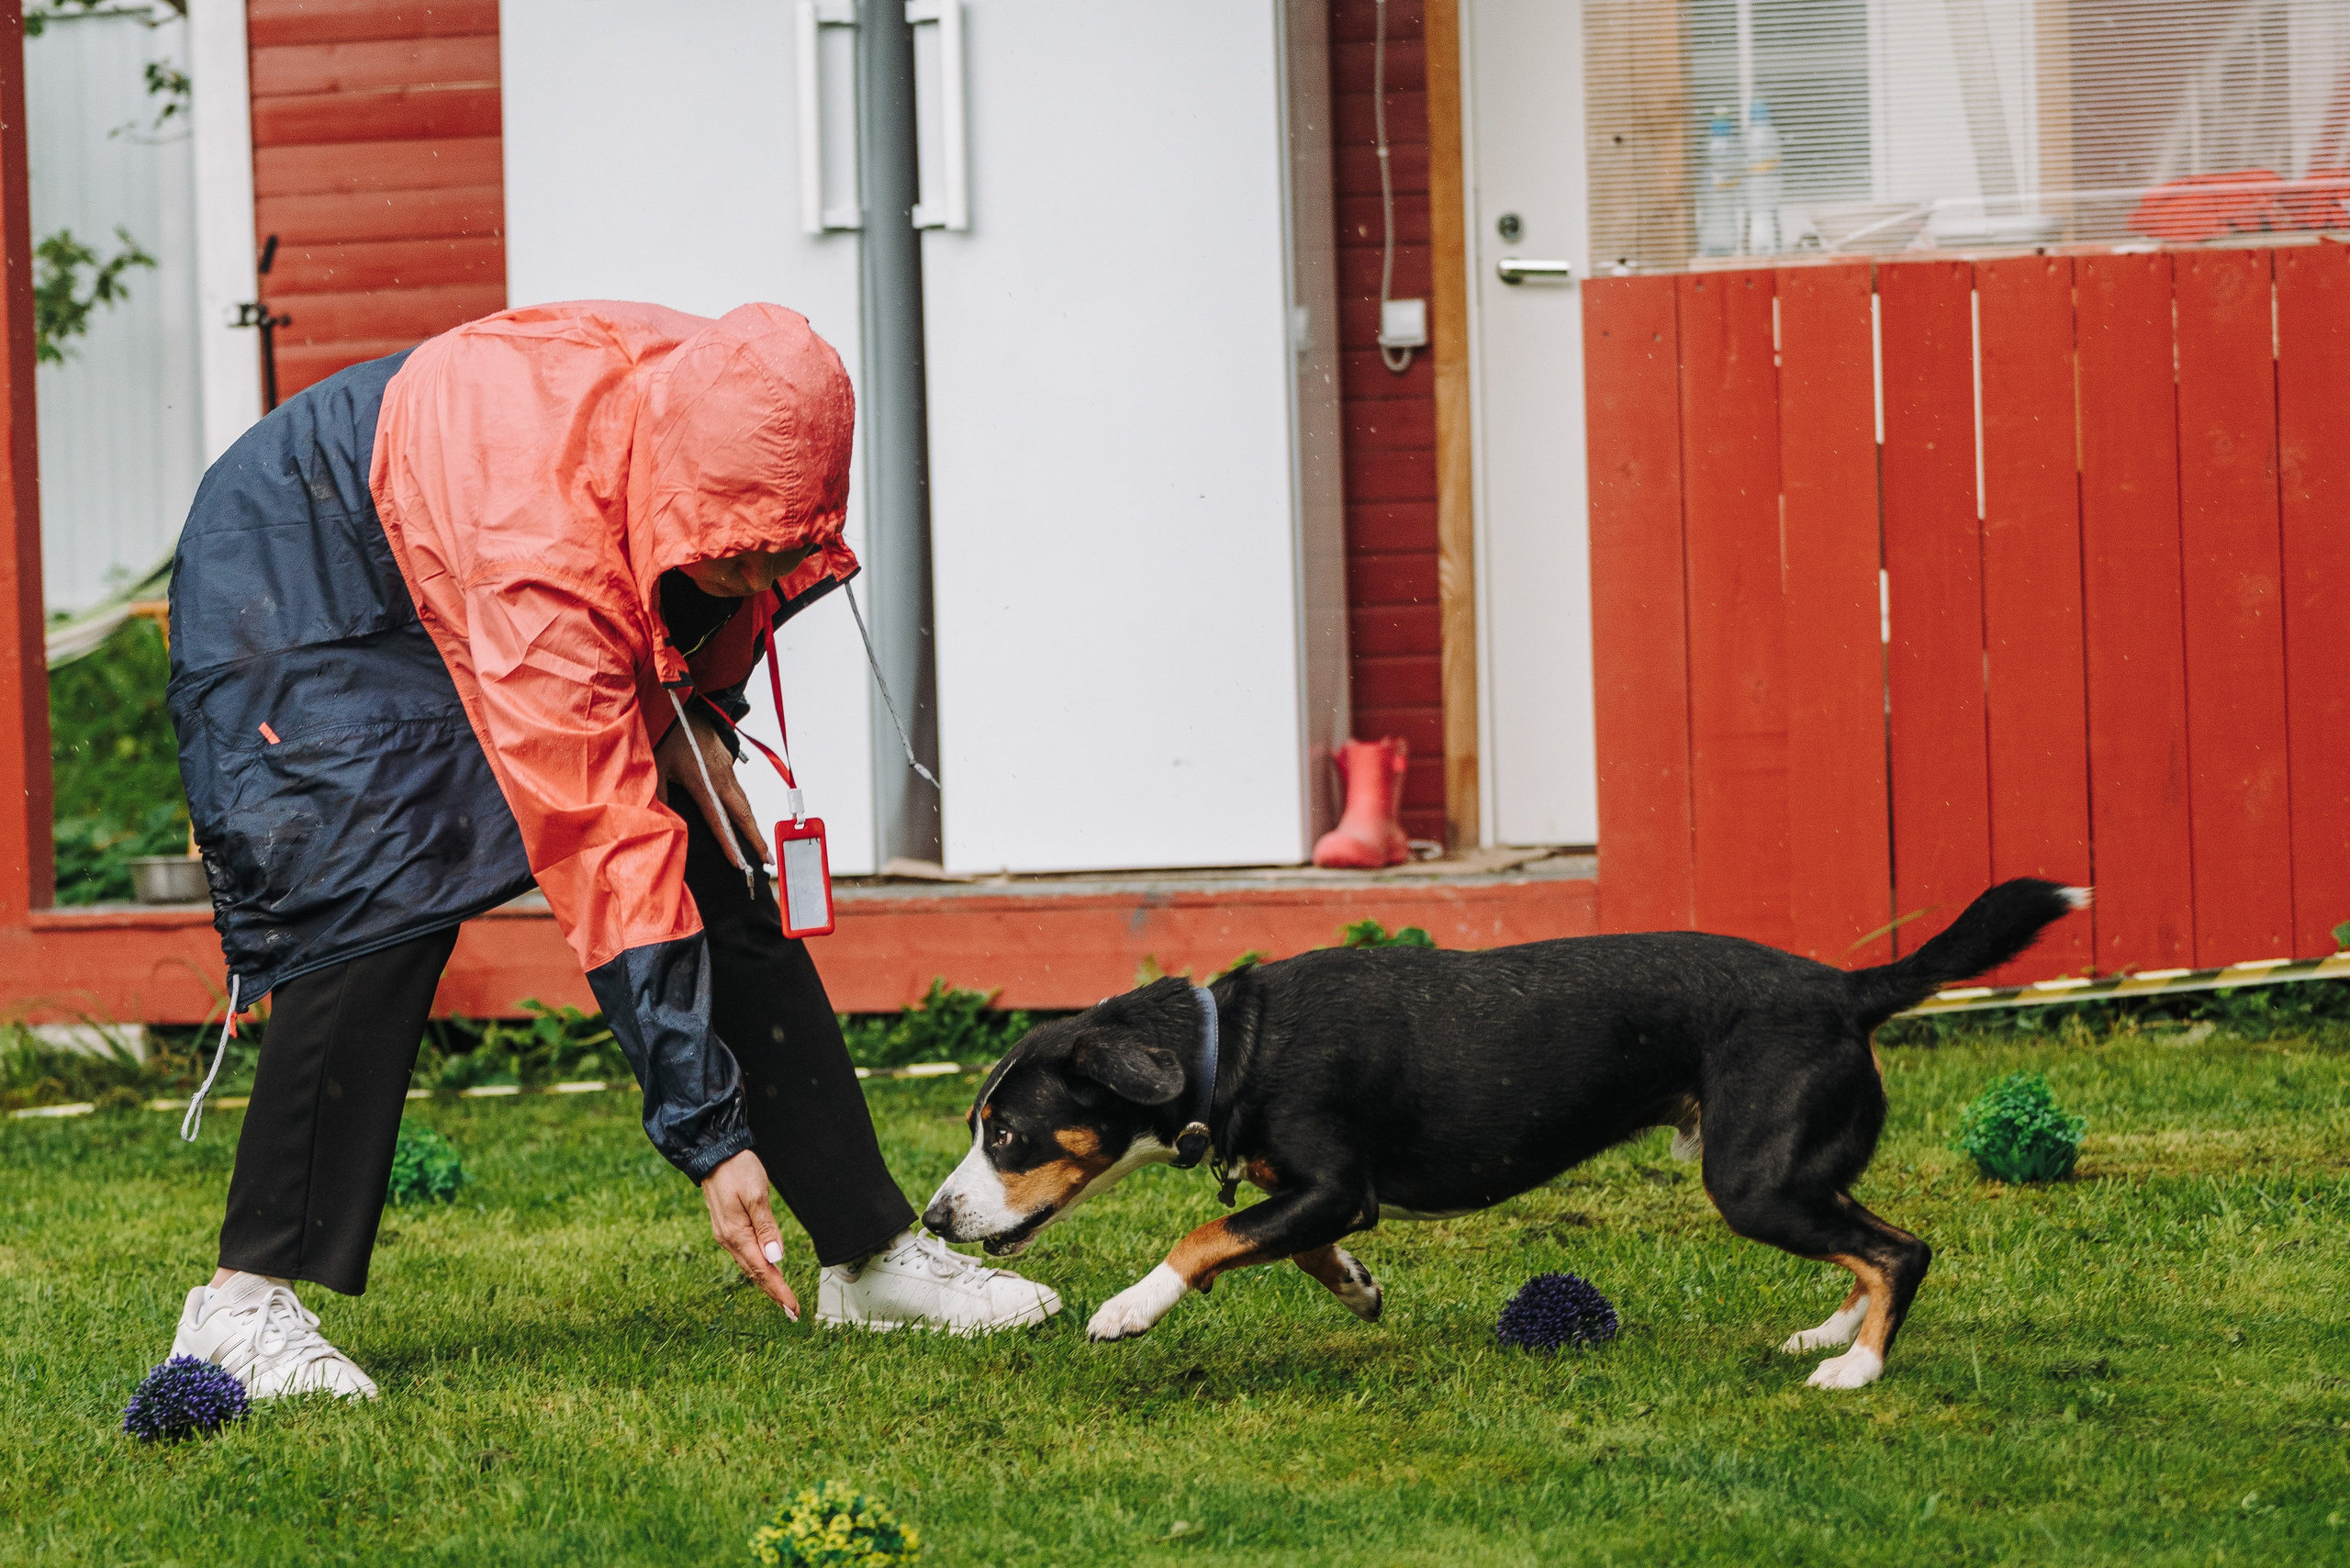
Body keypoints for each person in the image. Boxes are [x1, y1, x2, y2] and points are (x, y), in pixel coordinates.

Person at [158, 301, 1059, 1399]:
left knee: (710, 858)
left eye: (780, 552)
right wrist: (710, 1139)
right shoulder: (540, 550)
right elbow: (599, 839)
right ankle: (239, 1308)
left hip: (492, 517)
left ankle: (866, 1254)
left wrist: (704, 725)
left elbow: (703, 590)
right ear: (691, 491)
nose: (760, 573)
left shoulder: (742, 412)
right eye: (742, 558)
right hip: (309, 556)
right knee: (377, 902)